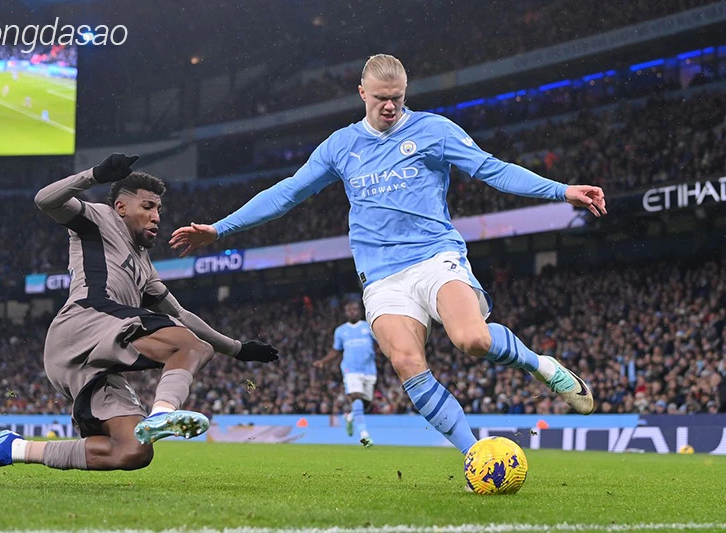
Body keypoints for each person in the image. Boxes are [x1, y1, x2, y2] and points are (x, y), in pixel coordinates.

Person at [171, 54, 607, 456]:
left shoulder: (434, 131)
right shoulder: (340, 145)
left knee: (472, 339)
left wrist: (561, 190)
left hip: (435, 257)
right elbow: (287, 193)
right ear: (362, 94)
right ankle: (474, 455)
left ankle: (541, 366)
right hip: (381, 276)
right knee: (406, 363)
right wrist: (219, 229)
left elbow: (492, 169)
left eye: (397, 98)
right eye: (381, 99)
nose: (390, 107)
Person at [0, 154, 279, 481]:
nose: (156, 217)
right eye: (148, 207)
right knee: (191, 346)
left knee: (133, 451)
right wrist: (95, 175)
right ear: (122, 208)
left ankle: (13, 449)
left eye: (158, 210)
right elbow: (44, 200)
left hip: (90, 357)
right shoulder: (99, 219)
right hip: (85, 322)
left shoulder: (145, 268)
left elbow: (182, 315)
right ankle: (163, 414)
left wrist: (238, 350)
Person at [314, 300, 377, 448]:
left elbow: (381, 342)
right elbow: (336, 350)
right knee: (356, 396)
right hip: (350, 369)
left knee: (365, 404)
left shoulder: (368, 327)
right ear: (345, 313)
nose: (352, 312)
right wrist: (324, 361)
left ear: (359, 311)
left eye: (354, 309)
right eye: (349, 310)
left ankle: (349, 417)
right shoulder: (341, 331)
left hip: (369, 370)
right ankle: (364, 435)